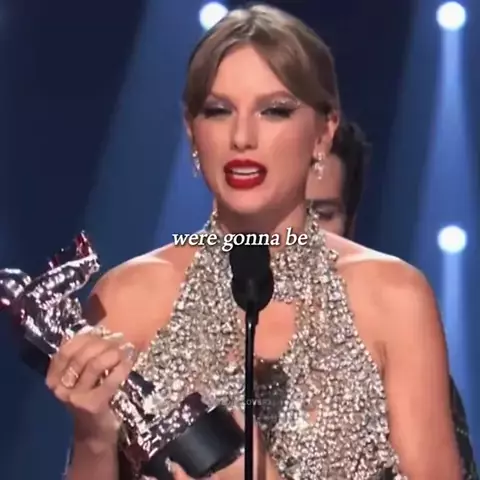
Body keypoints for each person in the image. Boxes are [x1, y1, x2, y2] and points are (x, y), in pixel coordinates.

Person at [46, 4, 463, 479]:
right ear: (192, 132)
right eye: (218, 111)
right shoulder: (127, 298)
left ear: (323, 133)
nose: (242, 137)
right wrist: (93, 438)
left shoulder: (393, 296)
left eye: (274, 111)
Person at [306, 119, 478, 479]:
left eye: (321, 214)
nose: (299, 233)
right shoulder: (192, 340)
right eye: (280, 211)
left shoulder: (406, 364)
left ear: (350, 224)